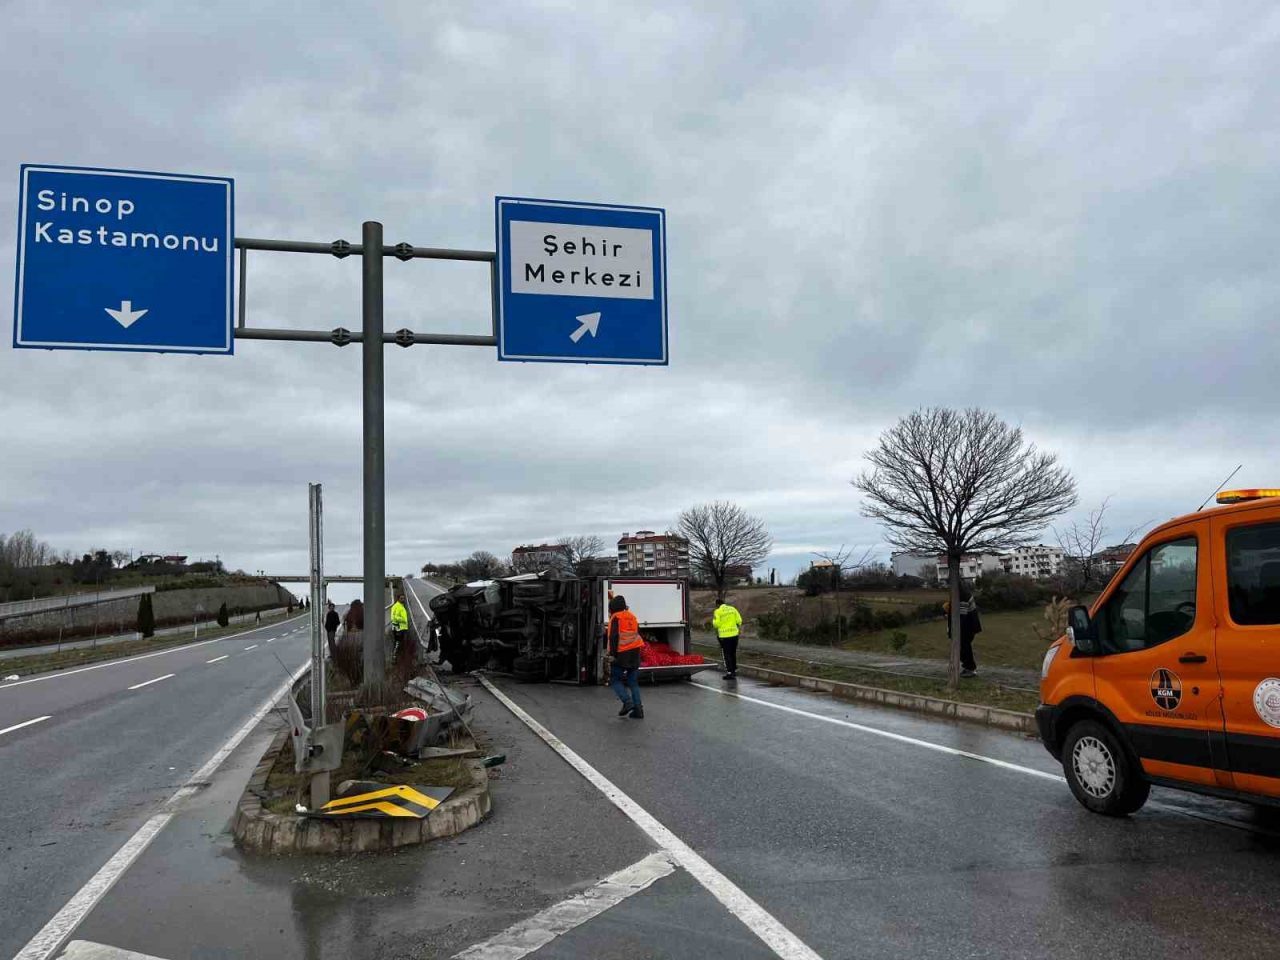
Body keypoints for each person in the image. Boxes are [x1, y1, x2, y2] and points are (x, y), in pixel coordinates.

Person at [607, 595, 645, 719]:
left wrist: (612, 655)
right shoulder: (632, 616)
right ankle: (638, 710)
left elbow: (613, 637)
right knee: (633, 682)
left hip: (622, 654)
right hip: (635, 652)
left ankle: (627, 702)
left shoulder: (616, 618)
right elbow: (636, 633)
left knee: (615, 679)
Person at [946, 586, 983, 677]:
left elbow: (961, 616)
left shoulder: (962, 595)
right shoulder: (960, 593)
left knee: (964, 647)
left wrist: (953, 630)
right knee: (964, 647)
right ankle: (968, 667)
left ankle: (970, 668)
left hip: (967, 626)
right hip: (968, 625)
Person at [711, 598, 743, 679]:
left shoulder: (717, 611)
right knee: (733, 653)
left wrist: (715, 622)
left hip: (724, 637)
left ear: (717, 604)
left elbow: (716, 624)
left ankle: (729, 672)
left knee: (726, 654)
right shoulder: (733, 609)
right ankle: (734, 670)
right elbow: (739, 620)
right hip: (734, 635)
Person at [390, 592, 412, 668]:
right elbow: (393, 618)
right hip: (398, 628)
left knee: (400, 644)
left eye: (403, 598)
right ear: (398, 599)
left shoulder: (401, 606)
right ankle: (394, 659)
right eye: (401, 598)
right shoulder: (395, 606)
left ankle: (399, 659)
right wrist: (402, 620)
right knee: (397, 644)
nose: (403, 599)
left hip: (402, 628)